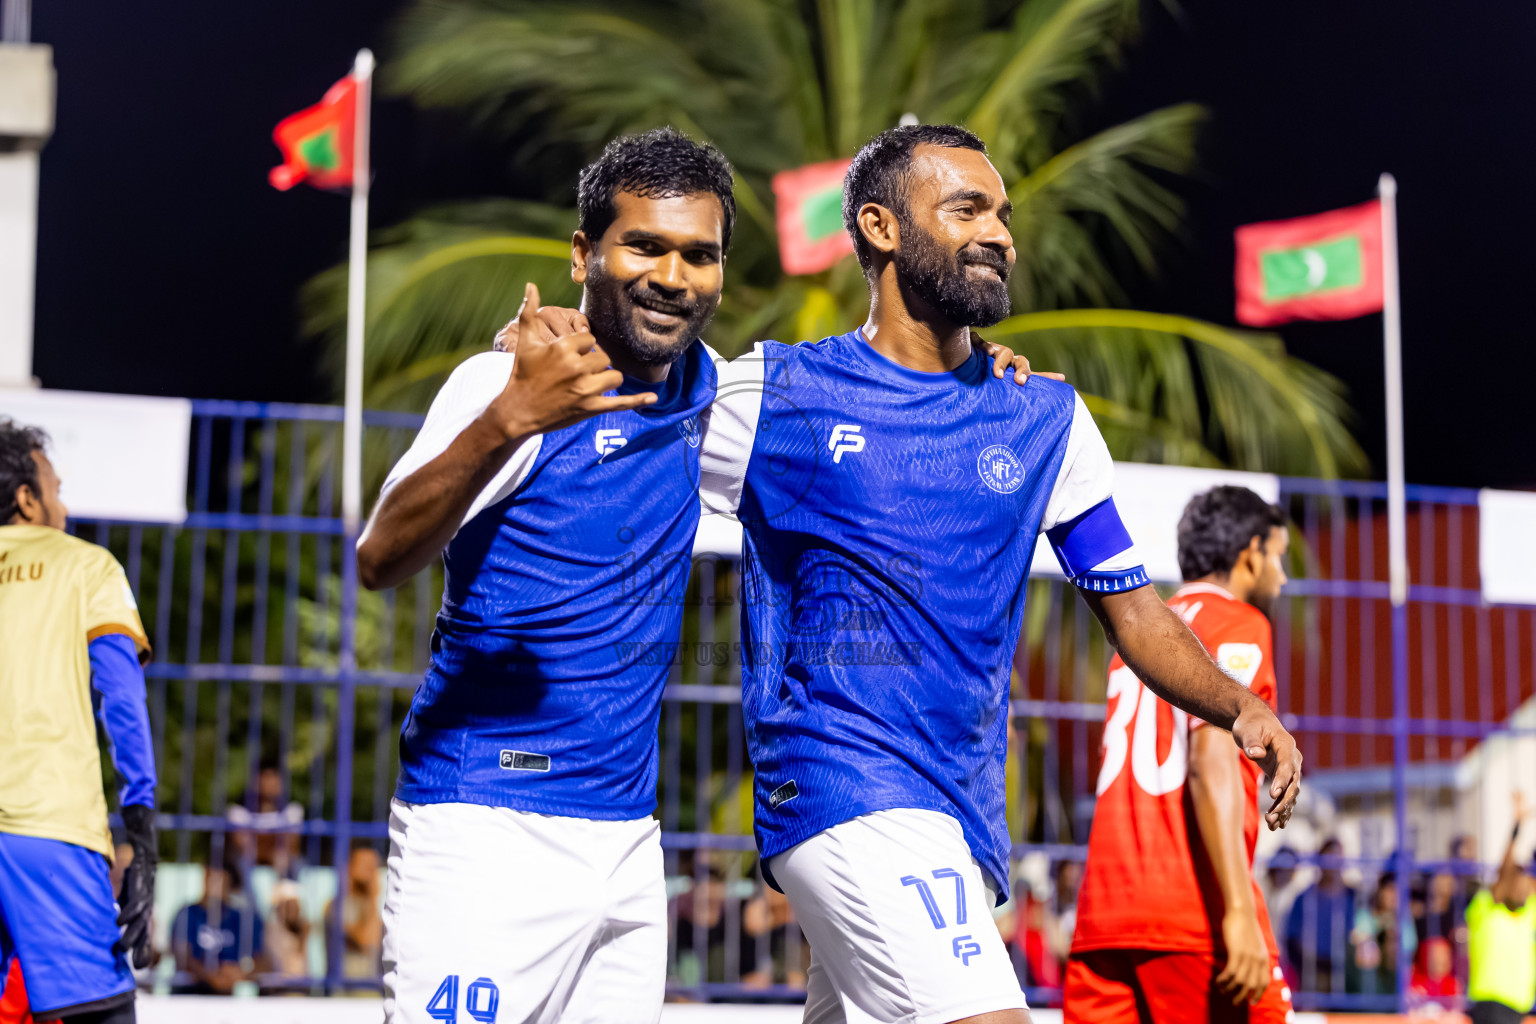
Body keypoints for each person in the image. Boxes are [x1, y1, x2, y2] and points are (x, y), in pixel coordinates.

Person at [363, 127, 1037, 1024]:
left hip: (629, 844)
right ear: (584, 254)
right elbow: (379, 556)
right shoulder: (501, 381)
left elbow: (877, 395)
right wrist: (510, 419)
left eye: (700, 256)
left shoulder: (713, 394)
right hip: (485, 824)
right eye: (644, 245)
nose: (673, 277)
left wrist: (981, 376)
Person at [697, 125, 1301, 1024]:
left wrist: (1239, 704)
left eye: (1004, 214)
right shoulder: (780, 394)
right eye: (967, 208)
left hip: (957, 808)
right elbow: (625, 450)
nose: (1000, 233)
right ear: (881, 227)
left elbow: (1133, 610)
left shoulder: (1044, 416)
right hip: (841, 780)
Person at [1065, 485, 1295, 1022]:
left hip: (1106, 912)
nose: (1282, 577)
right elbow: (1209, 757)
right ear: (1251, 553)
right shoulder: (1237, 622)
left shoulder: (1145, 632)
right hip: (1190, 915)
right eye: (1278, 558)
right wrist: (1238, 910)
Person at [0, 419, 157, 1024]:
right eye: (55, 489)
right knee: (102, 1014)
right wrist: (141, 839)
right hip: (51, 831)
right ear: (27, 499)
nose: (63, 506)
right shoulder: (88, 567)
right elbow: (122, 703)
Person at [1464, 792, 1536, 1024]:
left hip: (1518, 1007)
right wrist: (1516, 827)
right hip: (1490, 1003)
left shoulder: (1528, 913)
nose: (1524, 885)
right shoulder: (1486, 908)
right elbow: (1504, 872)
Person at [170, 859, 268, 995]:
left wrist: (239, 973)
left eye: (222, 880)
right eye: (213, 879)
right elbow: (182, 956)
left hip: (226, 999)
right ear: (205, 878)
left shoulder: (239, 918)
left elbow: (262, 960)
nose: (217, 885)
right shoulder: (187, 914)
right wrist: (210, 975)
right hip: (190, 996)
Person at [1284, 838, 1357, 994]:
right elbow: (1291, 939)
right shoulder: (1304, 899)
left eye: (1337, 858)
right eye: (1328, 858)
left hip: (1348, 973)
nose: (1333, 864)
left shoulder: (1354, 897)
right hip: (1312, 972)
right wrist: (1303, 967)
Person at [327, 845, 383, 983]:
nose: (372, 870)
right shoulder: (338, 905)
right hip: (347, 988)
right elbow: (366, 940)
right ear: (352, 866)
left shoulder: (371, 903)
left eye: (374, 866)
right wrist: (372, 896)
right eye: (366, 864)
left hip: (371, 986)